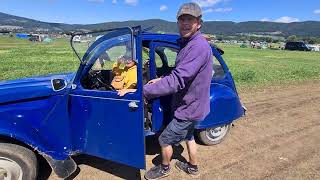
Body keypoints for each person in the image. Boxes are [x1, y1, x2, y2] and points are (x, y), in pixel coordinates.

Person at [143, 2, 213, 180]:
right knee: (189, 136)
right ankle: (193, 168)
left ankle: (164, 169)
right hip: (195, 105)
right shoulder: (190, 43)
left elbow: (177, 80)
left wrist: (144, 91)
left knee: (164, 139)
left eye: (190, 19)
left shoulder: (197, 46)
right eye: (182, 19)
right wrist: (161, 79)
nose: (185, 23)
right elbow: (181, 72)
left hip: (189, 108)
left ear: (198, 23)